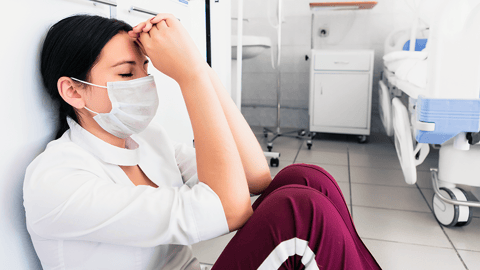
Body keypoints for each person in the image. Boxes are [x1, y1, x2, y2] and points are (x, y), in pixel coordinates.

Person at [23, 13, 381, 270]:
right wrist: (190, 78)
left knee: (306, 178)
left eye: (146, 69)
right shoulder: (57, 180)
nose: (144, 81)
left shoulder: (149, 141)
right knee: (300, 213)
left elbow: (253, 178)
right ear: (73, 90)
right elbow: (230, 210)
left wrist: (201, 68)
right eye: (126, 73)